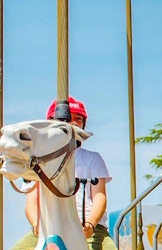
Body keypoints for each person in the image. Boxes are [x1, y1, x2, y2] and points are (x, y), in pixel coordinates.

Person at [12, 96, 117, 250]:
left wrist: (91, 223)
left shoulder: (92, 158)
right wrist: (36, 223)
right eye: (67, 118)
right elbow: (31, 200)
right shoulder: (39, 160)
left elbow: (99, 197)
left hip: (86, 226)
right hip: (47, 226)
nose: (73, 122)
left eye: (78, 118)